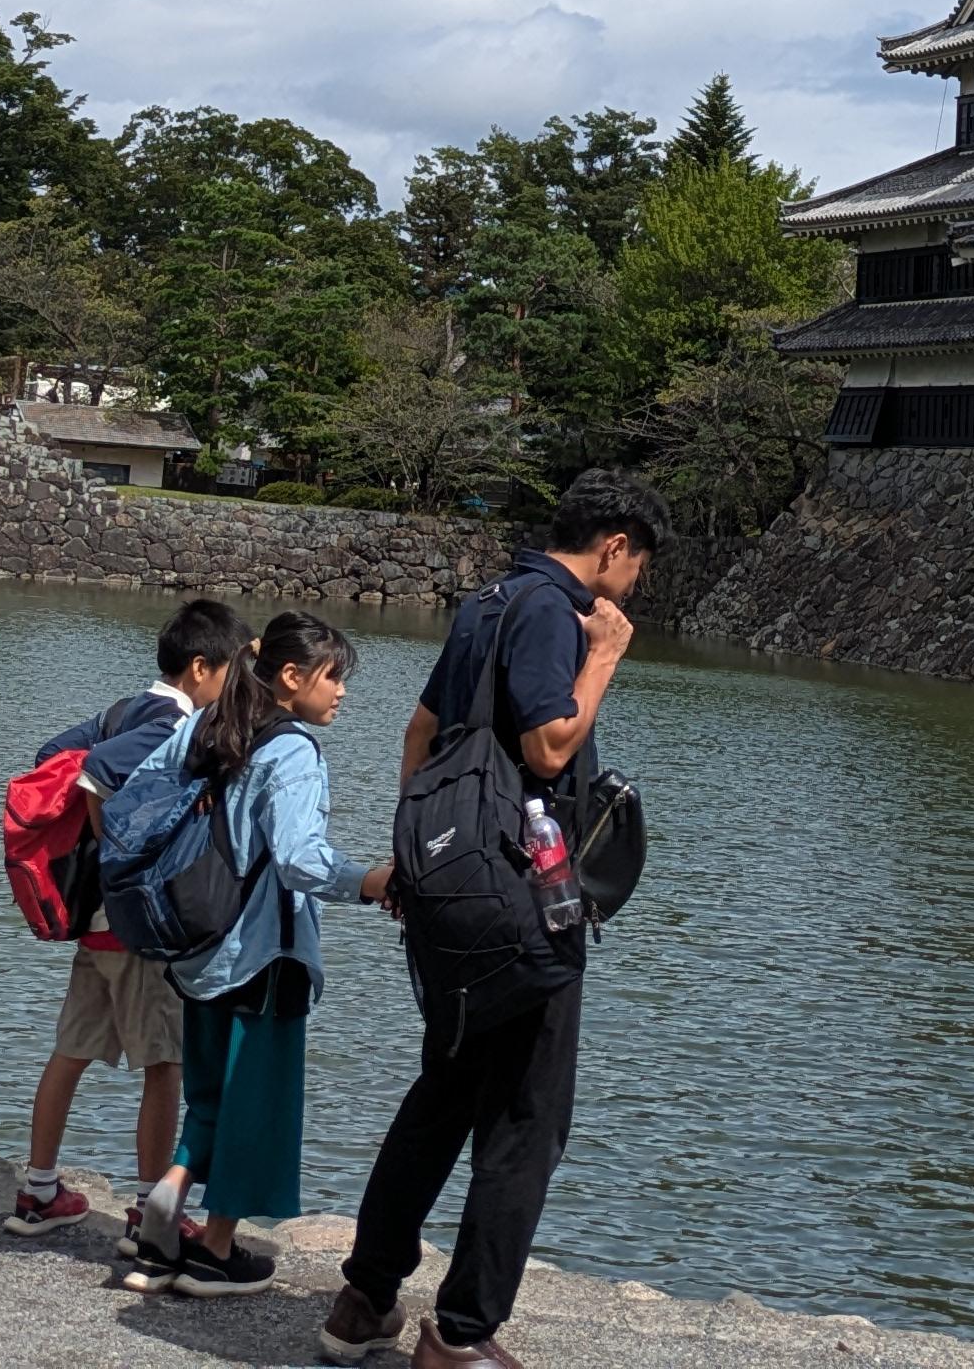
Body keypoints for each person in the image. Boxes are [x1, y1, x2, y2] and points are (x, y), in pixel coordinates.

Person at [325, 470, 668, 1369]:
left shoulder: (489, 601)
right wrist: (605, 658)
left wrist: (418, 863)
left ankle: (364, 1298)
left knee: (441, 1097)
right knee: (526, 1120)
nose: (631, 588)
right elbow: (549, 743)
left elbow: (417, 732)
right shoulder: (560, 612)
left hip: (453, 893)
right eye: (637, 567)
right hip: (524, 905)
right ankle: (462, 1335)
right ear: (616, 544)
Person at [124, 613, 366, 1300]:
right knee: (255, 1101)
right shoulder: (291, 751)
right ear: (292, 677)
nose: (342, 693)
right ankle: (215, 1253)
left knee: (208, 1091)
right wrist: (368, 881)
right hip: (263, 954)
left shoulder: (207, 726)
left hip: (197, 945)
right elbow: (297, 858)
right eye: (334, 677)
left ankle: (165, 1205)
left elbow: (130, 787)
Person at [11, 595, 247, 1239]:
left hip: (94, 922)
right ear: (200, 669)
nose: (236, 688)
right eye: (232, 673)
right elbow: (96, 774)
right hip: (136, 928)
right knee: (164, 1064)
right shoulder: (175, 722)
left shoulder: (124, 707)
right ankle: (149, 1208)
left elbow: (52, 751)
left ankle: (38, 1190)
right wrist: (126, 857)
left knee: (72, 1050)